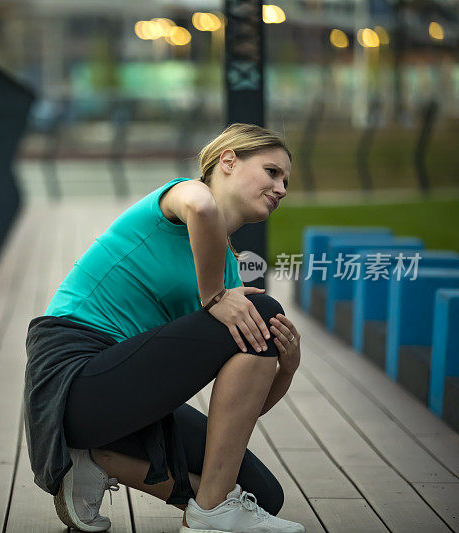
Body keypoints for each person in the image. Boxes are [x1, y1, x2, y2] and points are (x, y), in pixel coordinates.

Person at [23, 123, 305, 533]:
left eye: (285, 180)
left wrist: (288, 369)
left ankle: (98, 462)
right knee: (260, 308)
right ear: (228, 161)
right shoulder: (182, 197)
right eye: (271, 171)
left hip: (126, 399)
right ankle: (212, 512)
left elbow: (239, 414)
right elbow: (203, 208)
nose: (281, 188)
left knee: (264, 496)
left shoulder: (227, 272)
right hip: (75, 378)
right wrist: (214, 296)